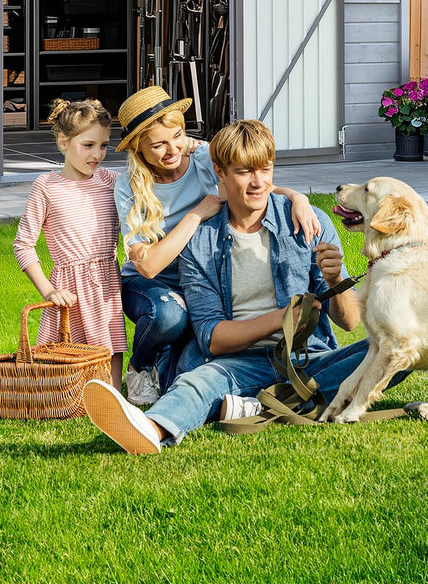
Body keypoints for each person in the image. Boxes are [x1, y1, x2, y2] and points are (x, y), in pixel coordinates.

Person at [83, 118, 407, 453]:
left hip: (306, 357)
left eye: (265, 170)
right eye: (243, 172)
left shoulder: (308, 222)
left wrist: (335, 280)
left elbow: (350, 322)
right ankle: (151, 428)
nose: (258, 183)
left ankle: (254, 403)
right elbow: (212, 339)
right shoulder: (200, 241)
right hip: (234, 362)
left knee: (394, 349)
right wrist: (281, 318)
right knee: (197, 382)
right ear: (219, 172)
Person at [113, 88, 321, 408]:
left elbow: (252, 179)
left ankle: (180, 367)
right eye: (158, 144)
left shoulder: (202, 157)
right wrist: (198, 213)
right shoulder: (129, 185)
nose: (173, 149)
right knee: (169, 314)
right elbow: (149, 266)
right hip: (152, 285)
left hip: (201, 274)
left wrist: (297, 197)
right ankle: (141, 365)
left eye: (178, 136)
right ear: (138, 147)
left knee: (200, 338)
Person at [13, 98, 126, 389]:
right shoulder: (46, 187)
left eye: (104, 145)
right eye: (88, 145)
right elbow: (23, 245)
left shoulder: (112, 181)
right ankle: (69, 396)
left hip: (106, 280)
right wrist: (49, 290)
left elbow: (149, 184)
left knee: (110, 344)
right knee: (66, 350)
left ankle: (112, 395)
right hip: (69, 286)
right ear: (64, 142)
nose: (97, 154)